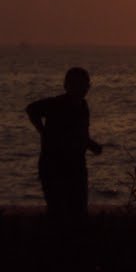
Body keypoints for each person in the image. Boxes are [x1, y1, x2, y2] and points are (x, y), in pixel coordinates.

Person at [26, 67, 102, 217]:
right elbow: (32, 109)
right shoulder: (57, 103)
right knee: (58, 210)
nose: (82, 88)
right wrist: (43, 132)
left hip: (76, 165)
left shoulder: (83, 107)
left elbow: (80, 133)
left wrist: (91, 144)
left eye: (84, 85)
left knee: (78, 209)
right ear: (67, 86)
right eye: (77, 84)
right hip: (54, 165)